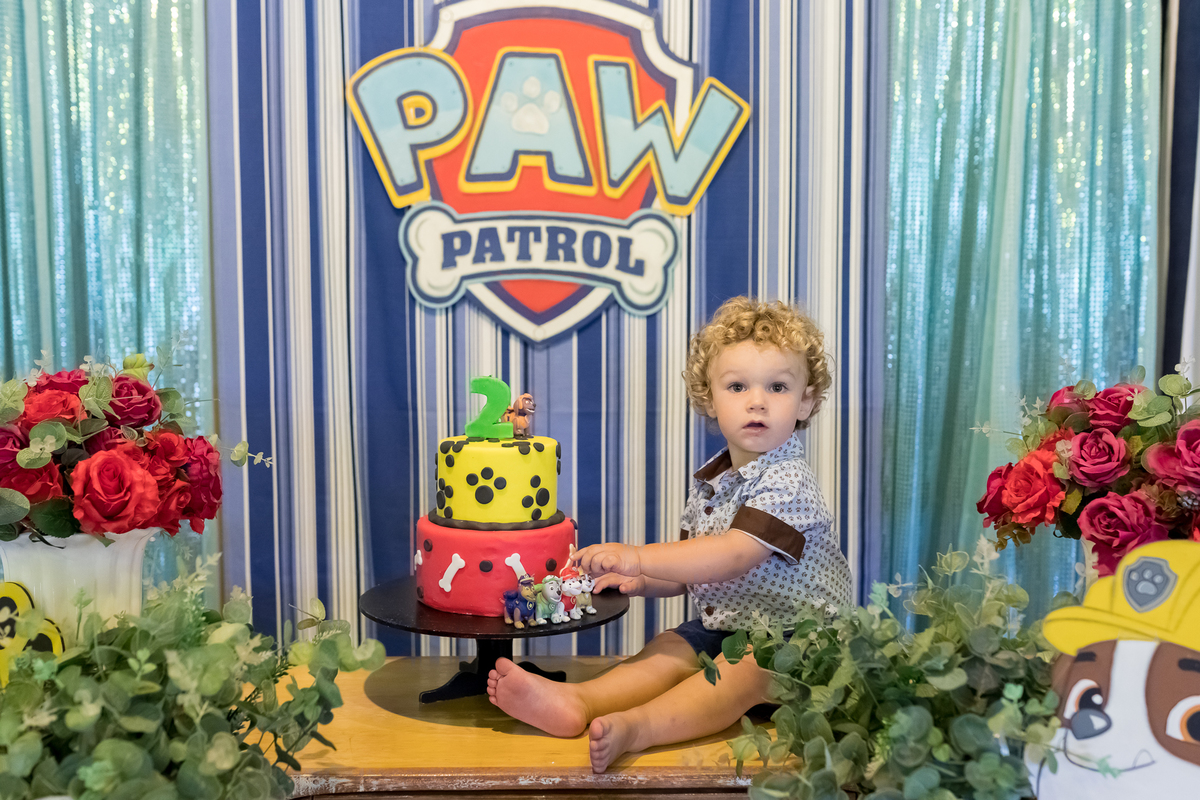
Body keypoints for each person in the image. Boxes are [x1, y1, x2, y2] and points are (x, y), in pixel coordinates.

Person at [486, 296, 853, 772]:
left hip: (802, 647)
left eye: (778, 387)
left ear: (805, 401)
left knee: (740, 669)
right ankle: (579, 700)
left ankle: (638, 727)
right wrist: (643, 581)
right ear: (709, 398)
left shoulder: (788, 480)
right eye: (737, 386)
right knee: (671, 647)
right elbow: (691, 568)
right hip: (732, 629)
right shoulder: (714, 481)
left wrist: (639, 556)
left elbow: (731, 556)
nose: (757, 401)